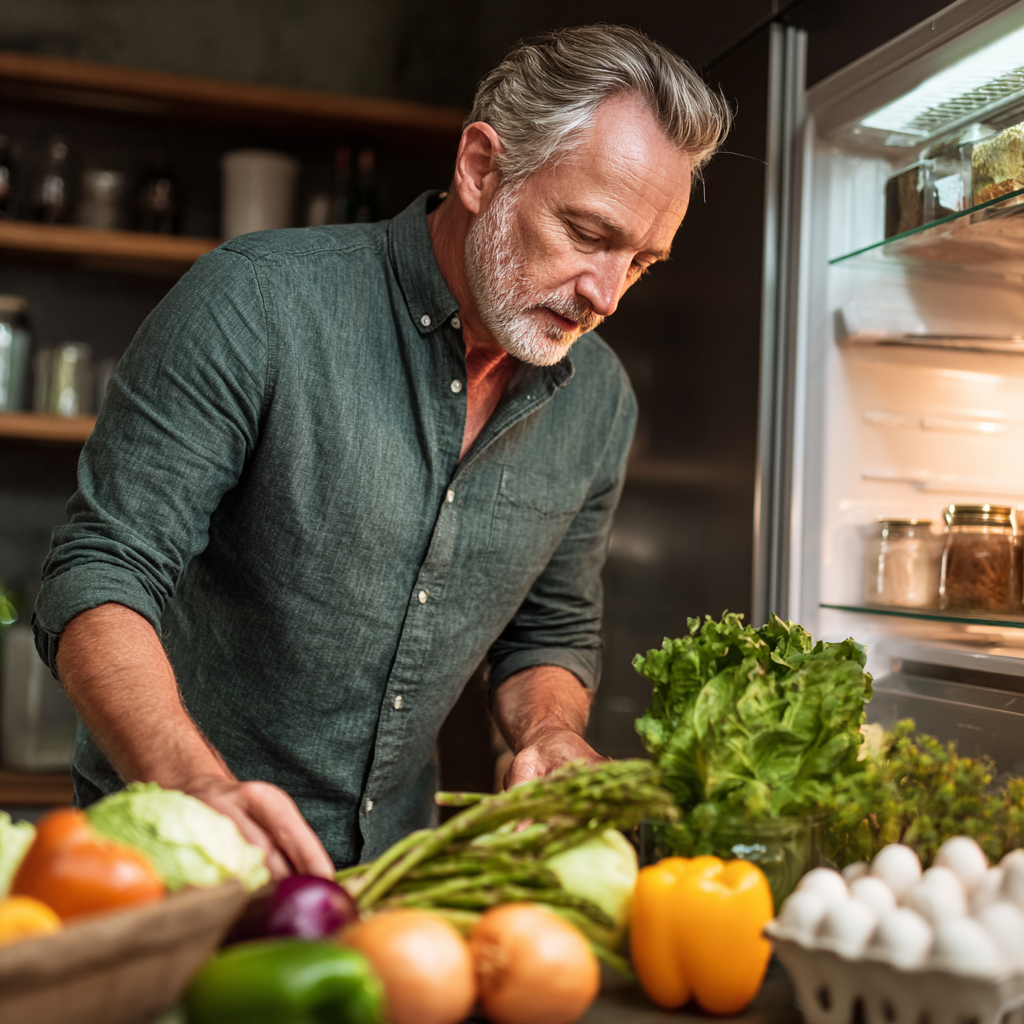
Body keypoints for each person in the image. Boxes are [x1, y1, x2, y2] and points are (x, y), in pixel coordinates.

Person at [32, 25, 730, 879]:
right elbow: (100, 573)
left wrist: (550, 732)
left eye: (643, 262)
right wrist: (195, 789)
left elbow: (548, 631)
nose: (607, 296)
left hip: (394, 876)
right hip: (170, 856)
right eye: (587, 233)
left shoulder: (600, 399)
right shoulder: (255, 304)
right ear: (480, 168)